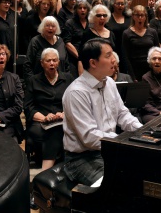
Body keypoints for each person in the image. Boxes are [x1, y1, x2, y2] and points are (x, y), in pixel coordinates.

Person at [61, 38, 143, 186]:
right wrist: (124, 140)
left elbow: (122, 114)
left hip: (108, 150)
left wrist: (142, 131)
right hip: (81, 159)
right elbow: (89, 137)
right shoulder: (76, 92)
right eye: (108, 55)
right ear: (93, 63)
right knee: (119, 185)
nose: (114, 59)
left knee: (142, 173)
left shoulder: (109, 82)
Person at [25, 48, 74, 170]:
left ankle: (46, 170)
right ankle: (55, 169)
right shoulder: (33, 80)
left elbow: (74, 102)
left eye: (54, 60)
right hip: (40, 122)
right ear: (42, 63)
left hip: (63, 119)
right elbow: (28, 107)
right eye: (48, 61)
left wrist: (64, 113)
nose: (52, 63)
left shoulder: (68, 78)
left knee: (57, 129)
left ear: (58, 62)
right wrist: (44, 118)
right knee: (55, 131)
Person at [122, 5, 160, 80]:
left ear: (145, 17)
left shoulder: (152, 32)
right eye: (137, 15)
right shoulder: (127, 33)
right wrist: (132, 76)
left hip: (151, 70)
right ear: (133, 16)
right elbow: (125, 56)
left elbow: (157, 51)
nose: (140, 18)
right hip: (135, 70)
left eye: (142, 15)